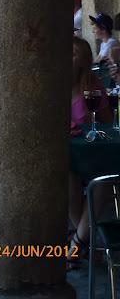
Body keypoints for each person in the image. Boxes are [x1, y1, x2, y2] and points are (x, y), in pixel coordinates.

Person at [68, 37, 113, 265]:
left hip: (94, 154)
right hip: (70, 154)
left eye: (73, 54)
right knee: (66, 179)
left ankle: (77, 244)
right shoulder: (53, 84)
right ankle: (84, 242)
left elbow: (108, 122)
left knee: (104, 182)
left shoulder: (92, 85)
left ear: (83, 60)